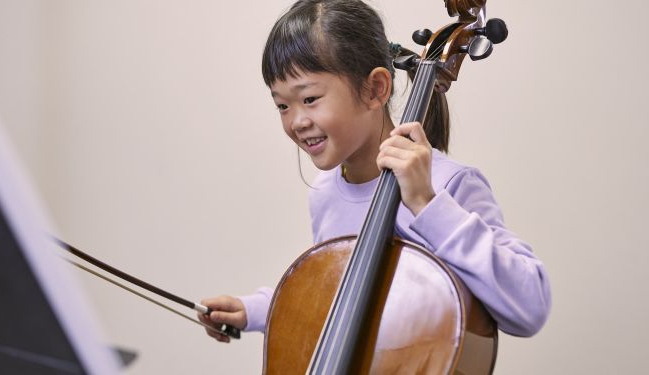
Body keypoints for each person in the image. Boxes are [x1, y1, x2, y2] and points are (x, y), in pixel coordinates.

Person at [199, 0, 551, 344]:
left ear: (375, 88)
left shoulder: (447, 184)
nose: (297, 121)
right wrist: (253, 310)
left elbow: (529, 307)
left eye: (309, 99)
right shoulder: (324, 195)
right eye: (281, 106)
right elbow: (339, 291)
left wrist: (428, 205)